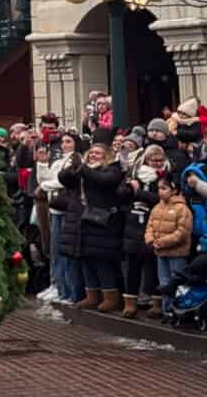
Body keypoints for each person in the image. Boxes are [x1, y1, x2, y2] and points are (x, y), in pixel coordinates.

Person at [60, 133, 128, 312]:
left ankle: (111, 296)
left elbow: (103, 180)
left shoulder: (112, 169)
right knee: (86, 259)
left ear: (106, 155)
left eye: (98, 153)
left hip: (103, 222)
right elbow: (65, 180)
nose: (93, 155)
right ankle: (92, 295)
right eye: (91, 152)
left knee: (101, 261)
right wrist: (70, 169)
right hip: (85, 220)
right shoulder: (85, 169)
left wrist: (83, 169)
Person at [120, 143, 165, 318]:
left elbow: (160, 198)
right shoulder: (134, 173)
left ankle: (156, 302)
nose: (158, 163)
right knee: (132, 265)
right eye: (154, 160)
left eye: (161, 160)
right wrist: (129, 187)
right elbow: (121, 193)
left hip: (155, 224)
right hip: (133, 223)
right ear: (147, 159)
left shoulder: (165, 176)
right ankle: (130, 302)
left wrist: (139, 193)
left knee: (153, 265)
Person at [39, 133, 85, 303]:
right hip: (55, 208)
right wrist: (42, 164)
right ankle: (58, 286)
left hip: (66, 208)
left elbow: (62, 182)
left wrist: (44, 186)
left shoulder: (76, 160)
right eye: (63, 142)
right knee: (54, 250)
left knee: (65, 251)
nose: (64, 145)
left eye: (68, 141)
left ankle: (68, 290)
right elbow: (45, 178)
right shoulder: (59, 161)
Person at [146, 174, 193, 319]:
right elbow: (150, 226)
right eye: (159, 188)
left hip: (177, 253)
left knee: (177, 282)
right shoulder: (156, 208)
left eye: (164, 188)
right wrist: (150, 239)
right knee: (164, 282)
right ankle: (167, 311)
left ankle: (178, 310)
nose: (160, 191)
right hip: (161, 252)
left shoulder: (182, 209)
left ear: (174, 190)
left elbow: (182, 232)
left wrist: (162, 242)